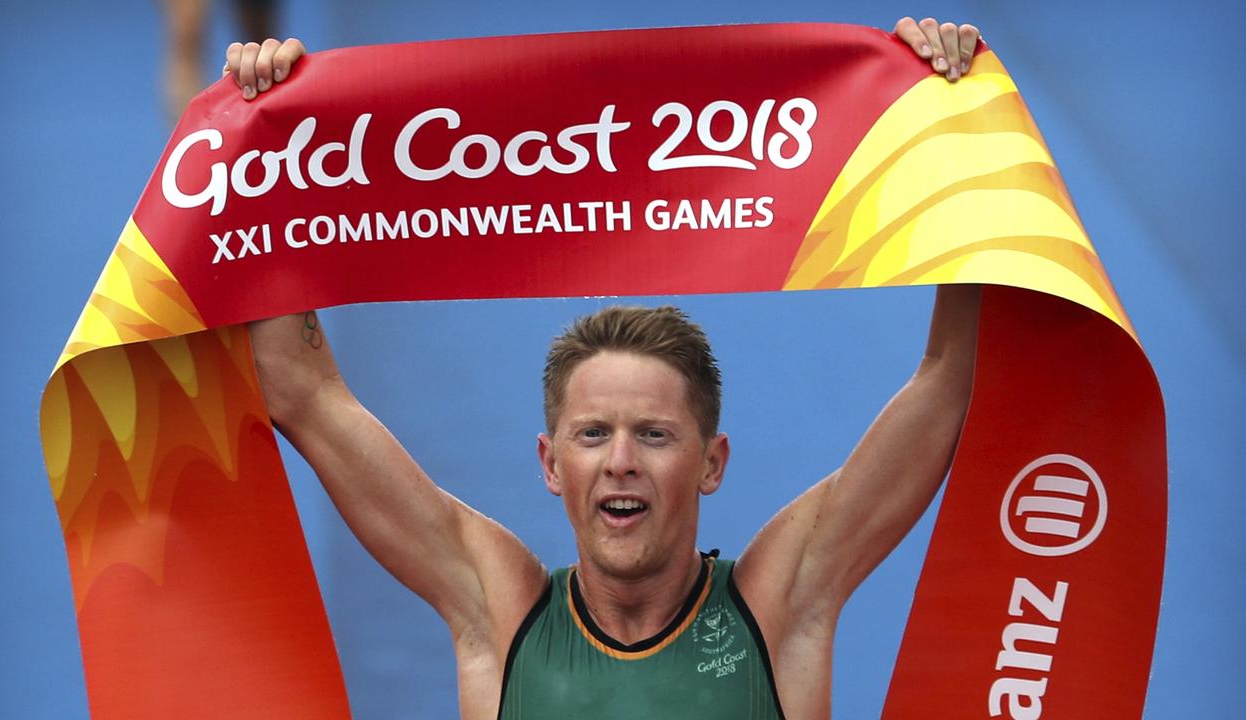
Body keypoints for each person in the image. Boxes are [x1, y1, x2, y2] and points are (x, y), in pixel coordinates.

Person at [234, 18, 982, 720]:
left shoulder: (778, 609)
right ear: (550, 462)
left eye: (654, 435)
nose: (621, 461)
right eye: (592, 434)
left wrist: (962, 132)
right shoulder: (502, 616)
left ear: (711, 462)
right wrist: (266, 149)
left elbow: (953, 381)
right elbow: (302, 390)